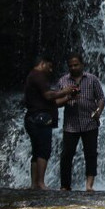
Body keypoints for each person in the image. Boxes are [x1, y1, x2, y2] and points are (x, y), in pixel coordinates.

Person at [22, 54, 77, 190]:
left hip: (34, 118)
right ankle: (40, 183)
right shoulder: (38, 75)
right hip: (40, 119)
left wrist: (69, 96)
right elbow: (49, 95)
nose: (51, 70)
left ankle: (34, 184)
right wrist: (65, 90)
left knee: (37, 151)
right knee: (43, 151)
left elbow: (54, 103)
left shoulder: (33, 76)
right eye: (50, 66)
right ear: (43, 63)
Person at [56, 52, 105, 191]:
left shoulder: (92, 80)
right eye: (70, 65)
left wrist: (98, 111)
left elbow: (101, 98)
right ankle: (65, 186)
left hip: (89, 122)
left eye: (76, 65)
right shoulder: (63, 81)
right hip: (70, 125)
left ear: (82, 64)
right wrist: (68, 97)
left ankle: (89, 185)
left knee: (91, 154)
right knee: (66, 155)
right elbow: (57, 102)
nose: (73, 67)